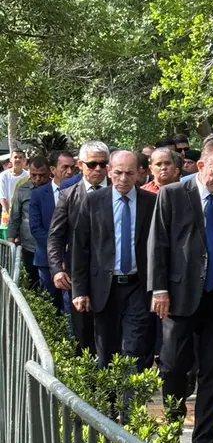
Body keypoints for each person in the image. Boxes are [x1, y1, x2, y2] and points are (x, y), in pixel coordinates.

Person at [148, 139, 213, 443]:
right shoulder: (173, 195)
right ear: (201, 167)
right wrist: (159, 289)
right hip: (178, 296)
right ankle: (170, 438)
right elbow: (158, 244)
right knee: (172, 367)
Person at [70, 151, 155, 371]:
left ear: (139, 173)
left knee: (133, 348)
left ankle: (128, 404)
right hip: (104, 288)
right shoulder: (93, 201)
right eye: (118, 173)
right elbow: (80, 247)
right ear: (109, 171)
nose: (124, 178)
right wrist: (79, 290)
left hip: (138, 286)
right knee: (106, 350)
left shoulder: (151, 202)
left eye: (129, 173)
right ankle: (108, 404)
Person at [48, 141, 111, 353]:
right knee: (83, 334)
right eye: (93, 164)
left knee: (112, 336)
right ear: (80, 165)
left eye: (103, 164)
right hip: (79, 274)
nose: (99, 169)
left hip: (114, 274)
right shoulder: (69, 195)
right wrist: (57, 270)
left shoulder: (120, 191)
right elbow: (55, 236)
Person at [30, 151, 76, 310]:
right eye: (65, 167)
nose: (69, 172)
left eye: (72, 167)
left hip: (74, 261)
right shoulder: (38, 194)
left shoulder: (80, 193)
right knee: (49, 305)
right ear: (53, 169)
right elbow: (35, 228)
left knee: (70, 309)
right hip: (46, 260)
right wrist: (57, 251)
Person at [8, 156, 51, 286]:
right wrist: (11, 244)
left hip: (50, 245)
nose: (38, 178)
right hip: (29, 246)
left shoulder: (56, 189)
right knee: (33, 282)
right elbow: (15, 217)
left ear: (49, 172)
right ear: (28, 171)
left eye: (42, 175)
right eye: (34, 175)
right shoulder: (22, 190)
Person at [0, 148, 29, 239]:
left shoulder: (28, 176)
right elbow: (2, 198)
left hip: (23, 217)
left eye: (20, 157)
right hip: (7, 215)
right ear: (10, 159)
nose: (18, 160)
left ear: (24, 160)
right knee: (7, 244)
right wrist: (11, 216)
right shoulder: (3, 176)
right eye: (15, 157)